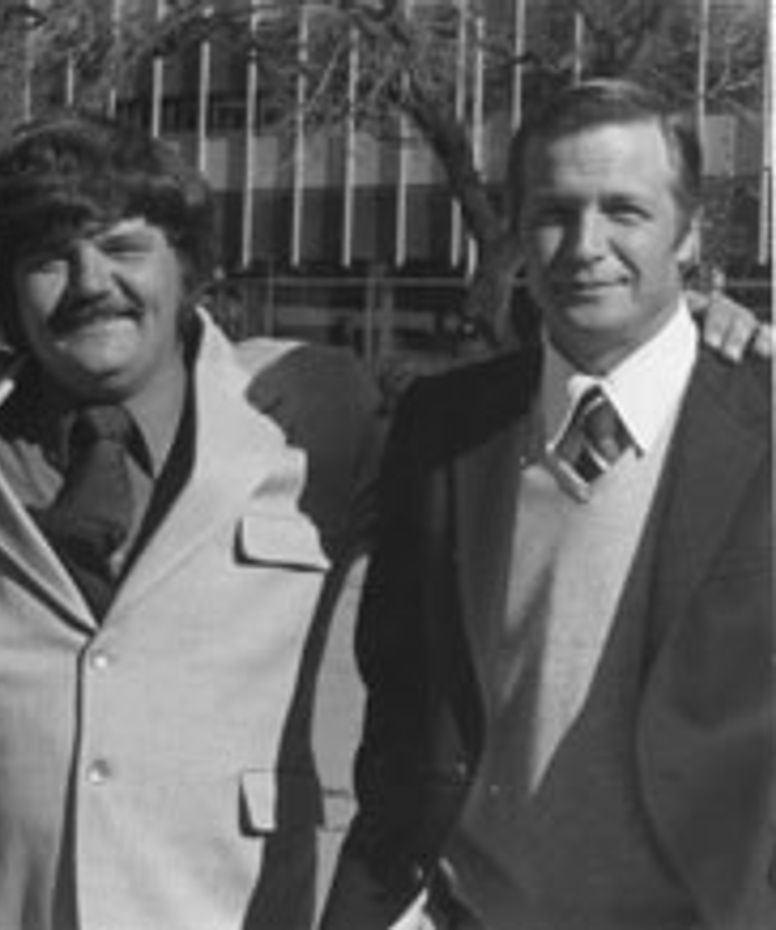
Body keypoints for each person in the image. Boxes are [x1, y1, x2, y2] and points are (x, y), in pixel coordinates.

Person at [0, 112, 385, 930]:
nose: (91, 283)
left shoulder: (313, 415)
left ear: (187, 267)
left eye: (123, 247)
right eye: (48, 260)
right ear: (6, 293)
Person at [320, 78, 772, 930]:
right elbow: (401, 698)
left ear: (690, 232)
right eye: (555, 213)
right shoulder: (443, 426)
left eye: (625, 211)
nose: (585, 246)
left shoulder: (765, 417)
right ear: (518, 231)